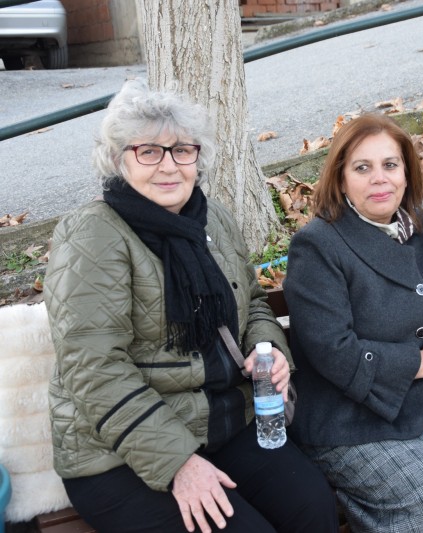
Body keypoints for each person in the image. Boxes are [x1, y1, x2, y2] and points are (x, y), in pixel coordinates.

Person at [43, 80, 337, 533]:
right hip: (119, 452)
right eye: (148, 151)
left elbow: (253, 302)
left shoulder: (212, 217)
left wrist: (269, 349)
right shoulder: (93, 235)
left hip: (221, 423)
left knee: (313, 509)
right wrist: (179, 463)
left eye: (182, 150)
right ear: (119, 159)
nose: (169, 166)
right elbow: (94, 368)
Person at [282, 114, 423, 533]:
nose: (379, 179)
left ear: (407, 172)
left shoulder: (422, 229)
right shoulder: (317, 245)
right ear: (341, 178)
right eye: (362, 168)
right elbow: (332, 350)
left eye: (390, 165)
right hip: (345, 418)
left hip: (419, 405)